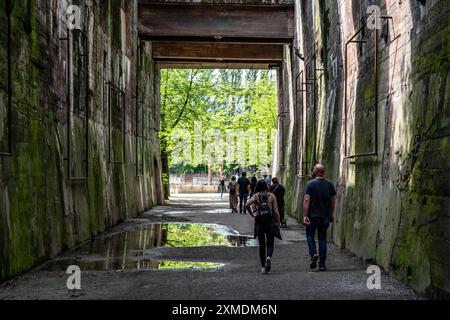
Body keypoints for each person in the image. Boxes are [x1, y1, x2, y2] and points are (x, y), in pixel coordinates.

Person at [303, 164, 336, 271]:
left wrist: (305, 215)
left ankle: (313, 254)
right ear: (323, 172)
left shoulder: (310, 184)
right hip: (325, 216)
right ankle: (322, 264)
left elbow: (306, 200)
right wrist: (331, 214)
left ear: (315, 171)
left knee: (309, 235)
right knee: (322, 238)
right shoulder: (329, 184)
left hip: (312, 216)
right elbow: (333, 202)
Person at [246, 180, 281, 274]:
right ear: (266, 186)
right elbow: (276, 212)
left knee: (262, 245)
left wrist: (252, 214)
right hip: (270, 221)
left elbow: (247, 205)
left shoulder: (256, 196)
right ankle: (268, 257)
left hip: (260, 221)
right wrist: (278, 223)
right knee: (270, 243)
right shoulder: (271, 196)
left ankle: (262, 267)